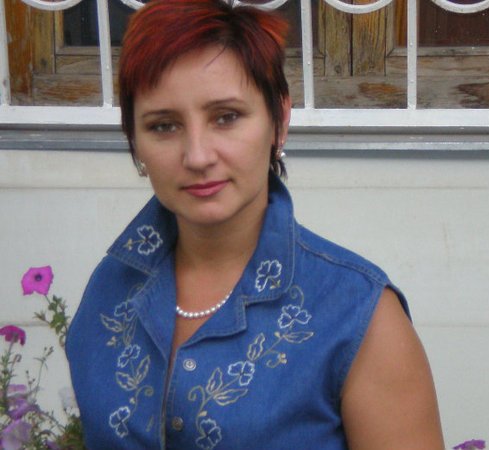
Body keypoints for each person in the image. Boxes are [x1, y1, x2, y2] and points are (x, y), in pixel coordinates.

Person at [66, 0, 444, 449]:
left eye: (226, 117)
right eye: (164, 126)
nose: (198, 156)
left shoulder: (358, 314)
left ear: (278, 121)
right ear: (134, 139)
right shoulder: (111, 289)